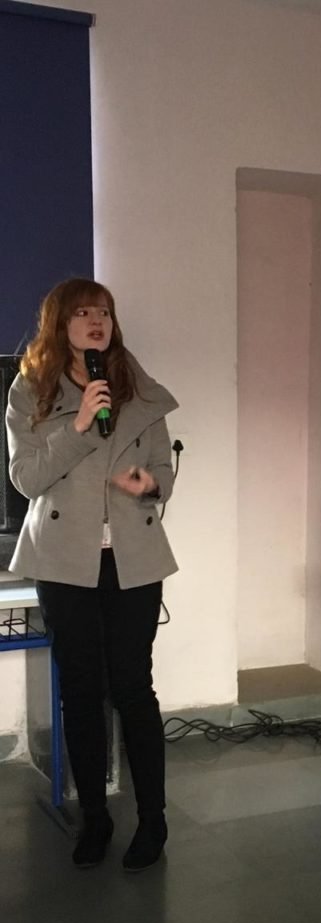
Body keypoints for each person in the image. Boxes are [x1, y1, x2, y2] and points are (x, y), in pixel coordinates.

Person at [5, 278, 178, 871]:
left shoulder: (136, 387)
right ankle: (95, 820)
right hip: (63, 560)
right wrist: (77, 426)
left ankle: (153, 820)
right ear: (60, 324)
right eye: (82, 312)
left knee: (133, 687)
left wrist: (150, 485)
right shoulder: (31, 389)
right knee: (80, 690)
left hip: (132, 559)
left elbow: (162, 470)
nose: (95, 320)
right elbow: (26, 479)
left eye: (102, 311)